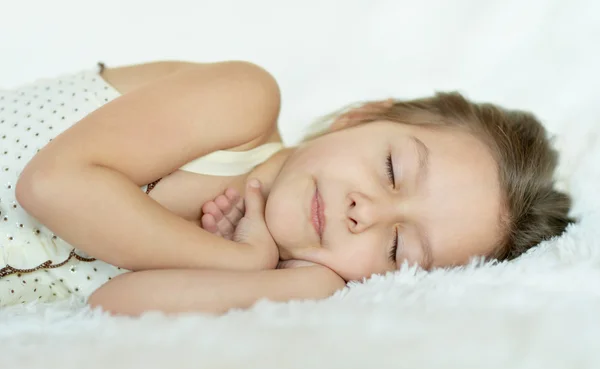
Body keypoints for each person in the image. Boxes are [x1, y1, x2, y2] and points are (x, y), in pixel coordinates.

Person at [0, 60, 574, 315]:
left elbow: (112, 305)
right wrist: (239, 260)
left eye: (398, 248)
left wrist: (293, 285)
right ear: (361, 117)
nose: (363, 212)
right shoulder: (243, 104)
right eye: (394, 170)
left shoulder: (286, 279)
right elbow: (51, 185)